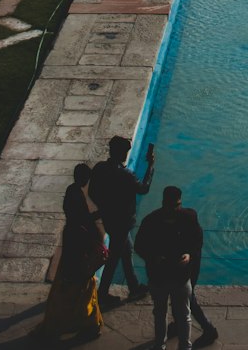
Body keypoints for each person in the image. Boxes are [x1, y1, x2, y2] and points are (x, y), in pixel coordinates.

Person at [33, 164, 104, 342]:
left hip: (74, 241)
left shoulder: (72, 190)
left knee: (71, 282)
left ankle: (68, 321)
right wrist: (98, 215)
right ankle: (89, 324)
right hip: (79, 245)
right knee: (83, 284)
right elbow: (81, 218)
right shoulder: (76, 195)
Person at [134, 184, 204, 350]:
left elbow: (197, 241)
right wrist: (154, 257)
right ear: (164, 203)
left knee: (183, 315)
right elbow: (139, 246)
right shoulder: (150, 221)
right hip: (159, 275)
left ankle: (184, 347)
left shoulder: (188, 217)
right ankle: (160, 345)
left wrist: (190, 254)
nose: (174, 209)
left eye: (177, 206)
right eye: (172, 206)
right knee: (160, 313)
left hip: (180, 275)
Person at [88, 136, 154, 310]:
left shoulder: (99, 169)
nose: (126, 154)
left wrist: (104, 207)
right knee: (114, 257)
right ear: (120, 152)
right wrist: (151, 166)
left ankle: (133, 286)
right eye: (125, 151)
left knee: (126, 251)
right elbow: (144, 188)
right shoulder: (125, 175)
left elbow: (93, 192)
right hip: (122, 222)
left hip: (109, 219)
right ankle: (102, 295)